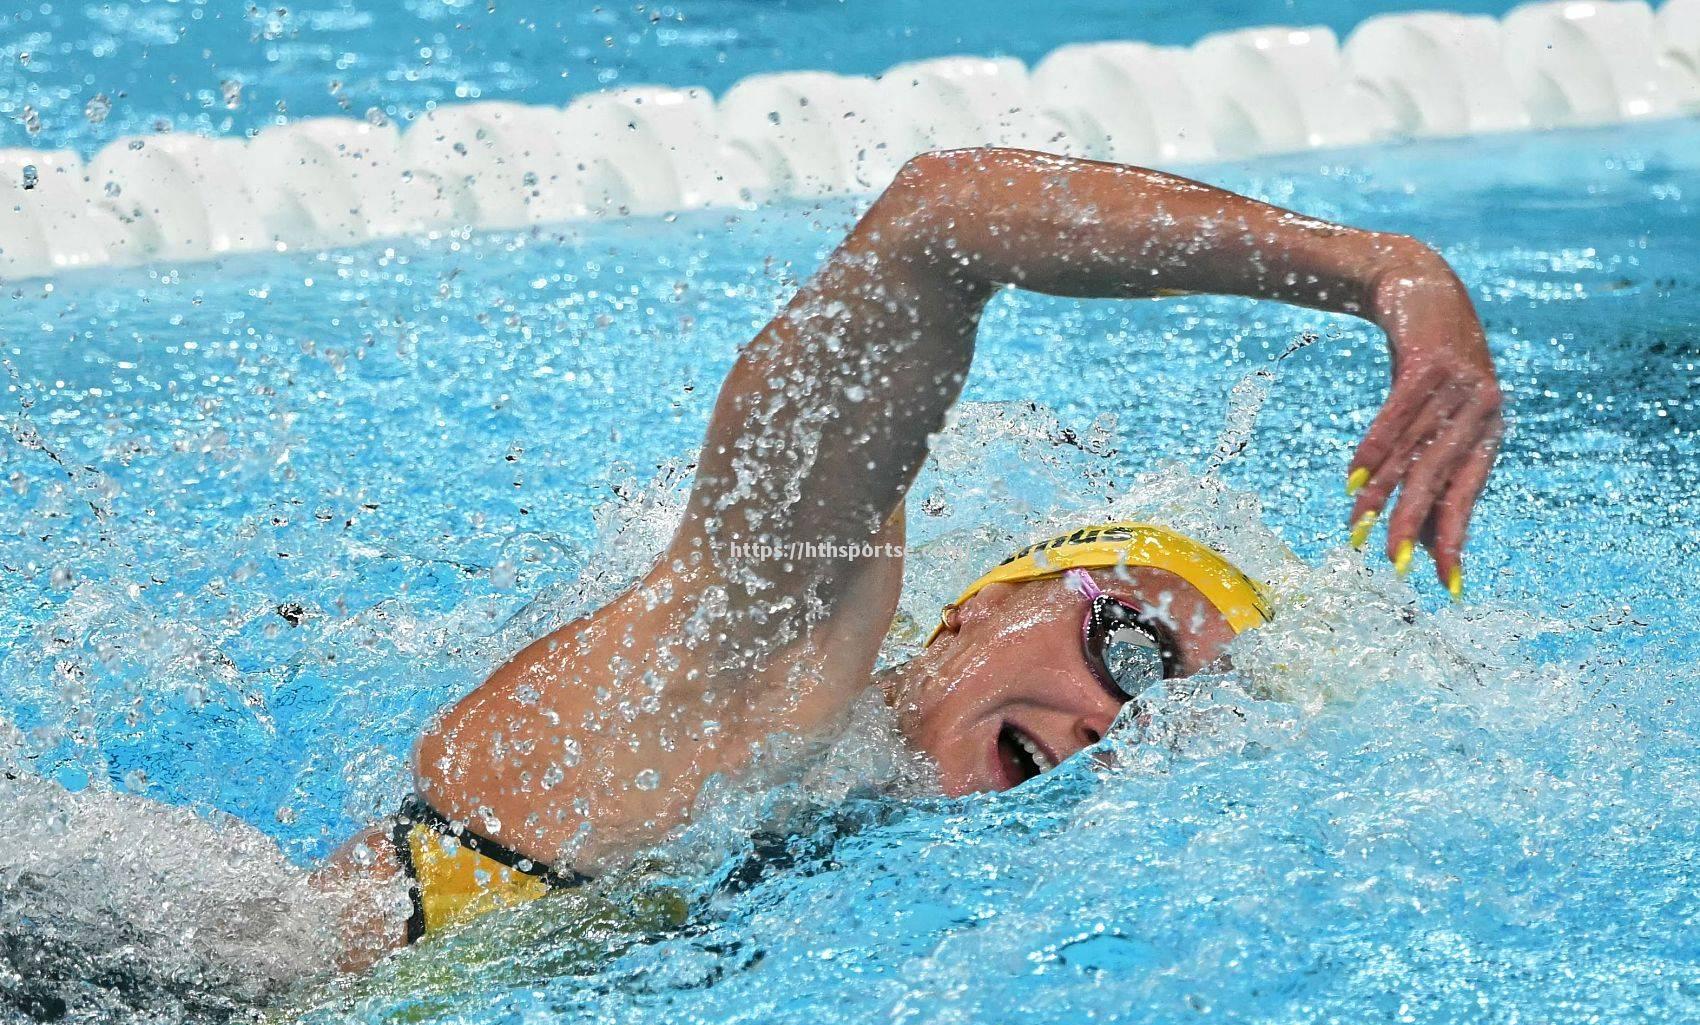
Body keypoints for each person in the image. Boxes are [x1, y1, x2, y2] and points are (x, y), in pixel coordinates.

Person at [313, 147, 1503, 970]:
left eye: (1182, 718)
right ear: (970, 615)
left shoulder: (847, 836)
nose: (1119, 726)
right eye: (1132, 651)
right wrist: (1387, 273)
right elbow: (936, 221)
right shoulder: (757, 664)